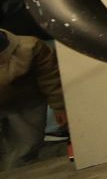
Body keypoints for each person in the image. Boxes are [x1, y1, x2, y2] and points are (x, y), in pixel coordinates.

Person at [0, 23, 63, 169]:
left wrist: (59, 107)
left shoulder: (30, 47)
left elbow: (50, 79)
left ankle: (20, 170)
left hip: (25, 101)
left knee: (25, 148)